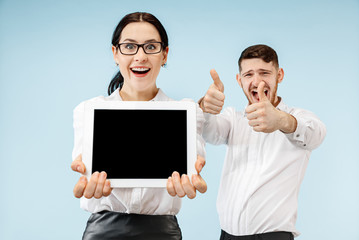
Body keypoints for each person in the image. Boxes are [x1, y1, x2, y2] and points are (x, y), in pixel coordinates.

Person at [70, 12, 207, 240]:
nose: (140, 56)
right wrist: (85, 177)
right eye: (130, 47)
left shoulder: (188, 112)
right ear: (115, 53)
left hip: (162, 233)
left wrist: (191, 178)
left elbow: (192, 168)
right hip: (103, 232)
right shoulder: (88, 110)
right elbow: (83, 166)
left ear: (164, 54)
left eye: (151, 47)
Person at [199, 44, 326, 240]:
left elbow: (316, 134)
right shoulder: (234, 118)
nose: (257, 82)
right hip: (227, 235)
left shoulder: (298, 117)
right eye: (249, 75)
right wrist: (205, 107)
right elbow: (208, 131)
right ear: (239, 80)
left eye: (264, 73)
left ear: (279, 75)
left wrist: (281, 120)